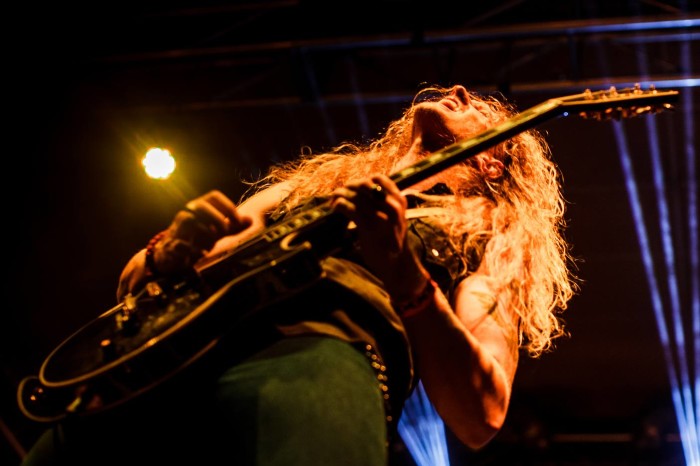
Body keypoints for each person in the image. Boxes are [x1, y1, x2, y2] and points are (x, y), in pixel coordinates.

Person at [20, 84, 577, 465]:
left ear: (493, 161)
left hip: (318, 360)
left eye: (480, 107)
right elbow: (133, 285)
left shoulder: (490, 235)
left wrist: (400, 268)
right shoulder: (316, 186)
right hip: (171, 358)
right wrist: (173, 251)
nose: (458, 90)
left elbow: (482, 413)